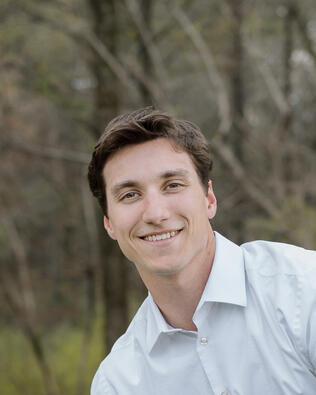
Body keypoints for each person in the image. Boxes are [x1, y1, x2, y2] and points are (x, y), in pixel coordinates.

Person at [88, 107, 316, 395]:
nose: (155, 214)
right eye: (130, 194)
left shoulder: (304, 292)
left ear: (209, 199)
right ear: (109, 223)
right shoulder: (119, 382)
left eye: (172, 185)